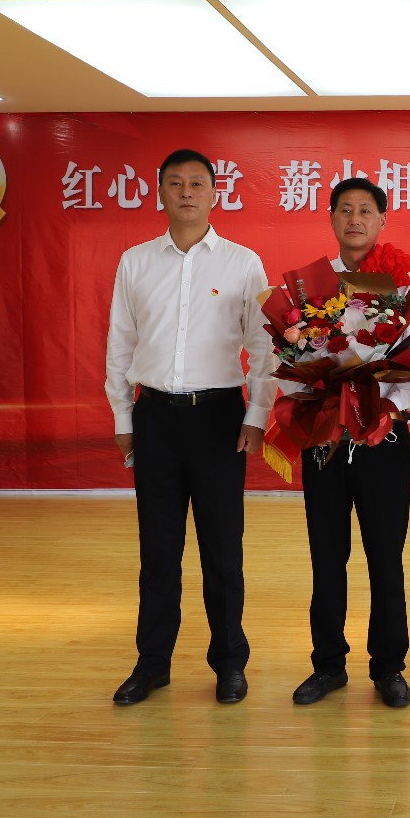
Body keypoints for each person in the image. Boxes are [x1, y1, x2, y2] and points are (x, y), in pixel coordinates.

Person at [105, 148, 275, 706]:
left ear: (215, 193)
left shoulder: (242, 263)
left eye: (197, 183)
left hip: (219, 419)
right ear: (160, 191)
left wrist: (257, 415)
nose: (186, 192)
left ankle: (229, 663)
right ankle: (152, 663)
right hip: (154, 417)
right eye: (175, 183)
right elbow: (120, 344)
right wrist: (123, 416)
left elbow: (263, 348)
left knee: (222, 550)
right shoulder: (135, 262)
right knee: (158, 550)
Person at [288, 177, 410, 710]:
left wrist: (384, 410)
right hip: (324, 436)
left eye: (365, 211)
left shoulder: (407, 284)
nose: (355, 219)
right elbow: (289, 361)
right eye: (345, 210)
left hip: (384, 437)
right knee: (326, 556)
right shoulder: (311, 288)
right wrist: (317, 397)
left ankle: (389, 667)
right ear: (331, 218)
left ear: (382, 220)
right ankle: (327, 665)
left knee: (385, 557)